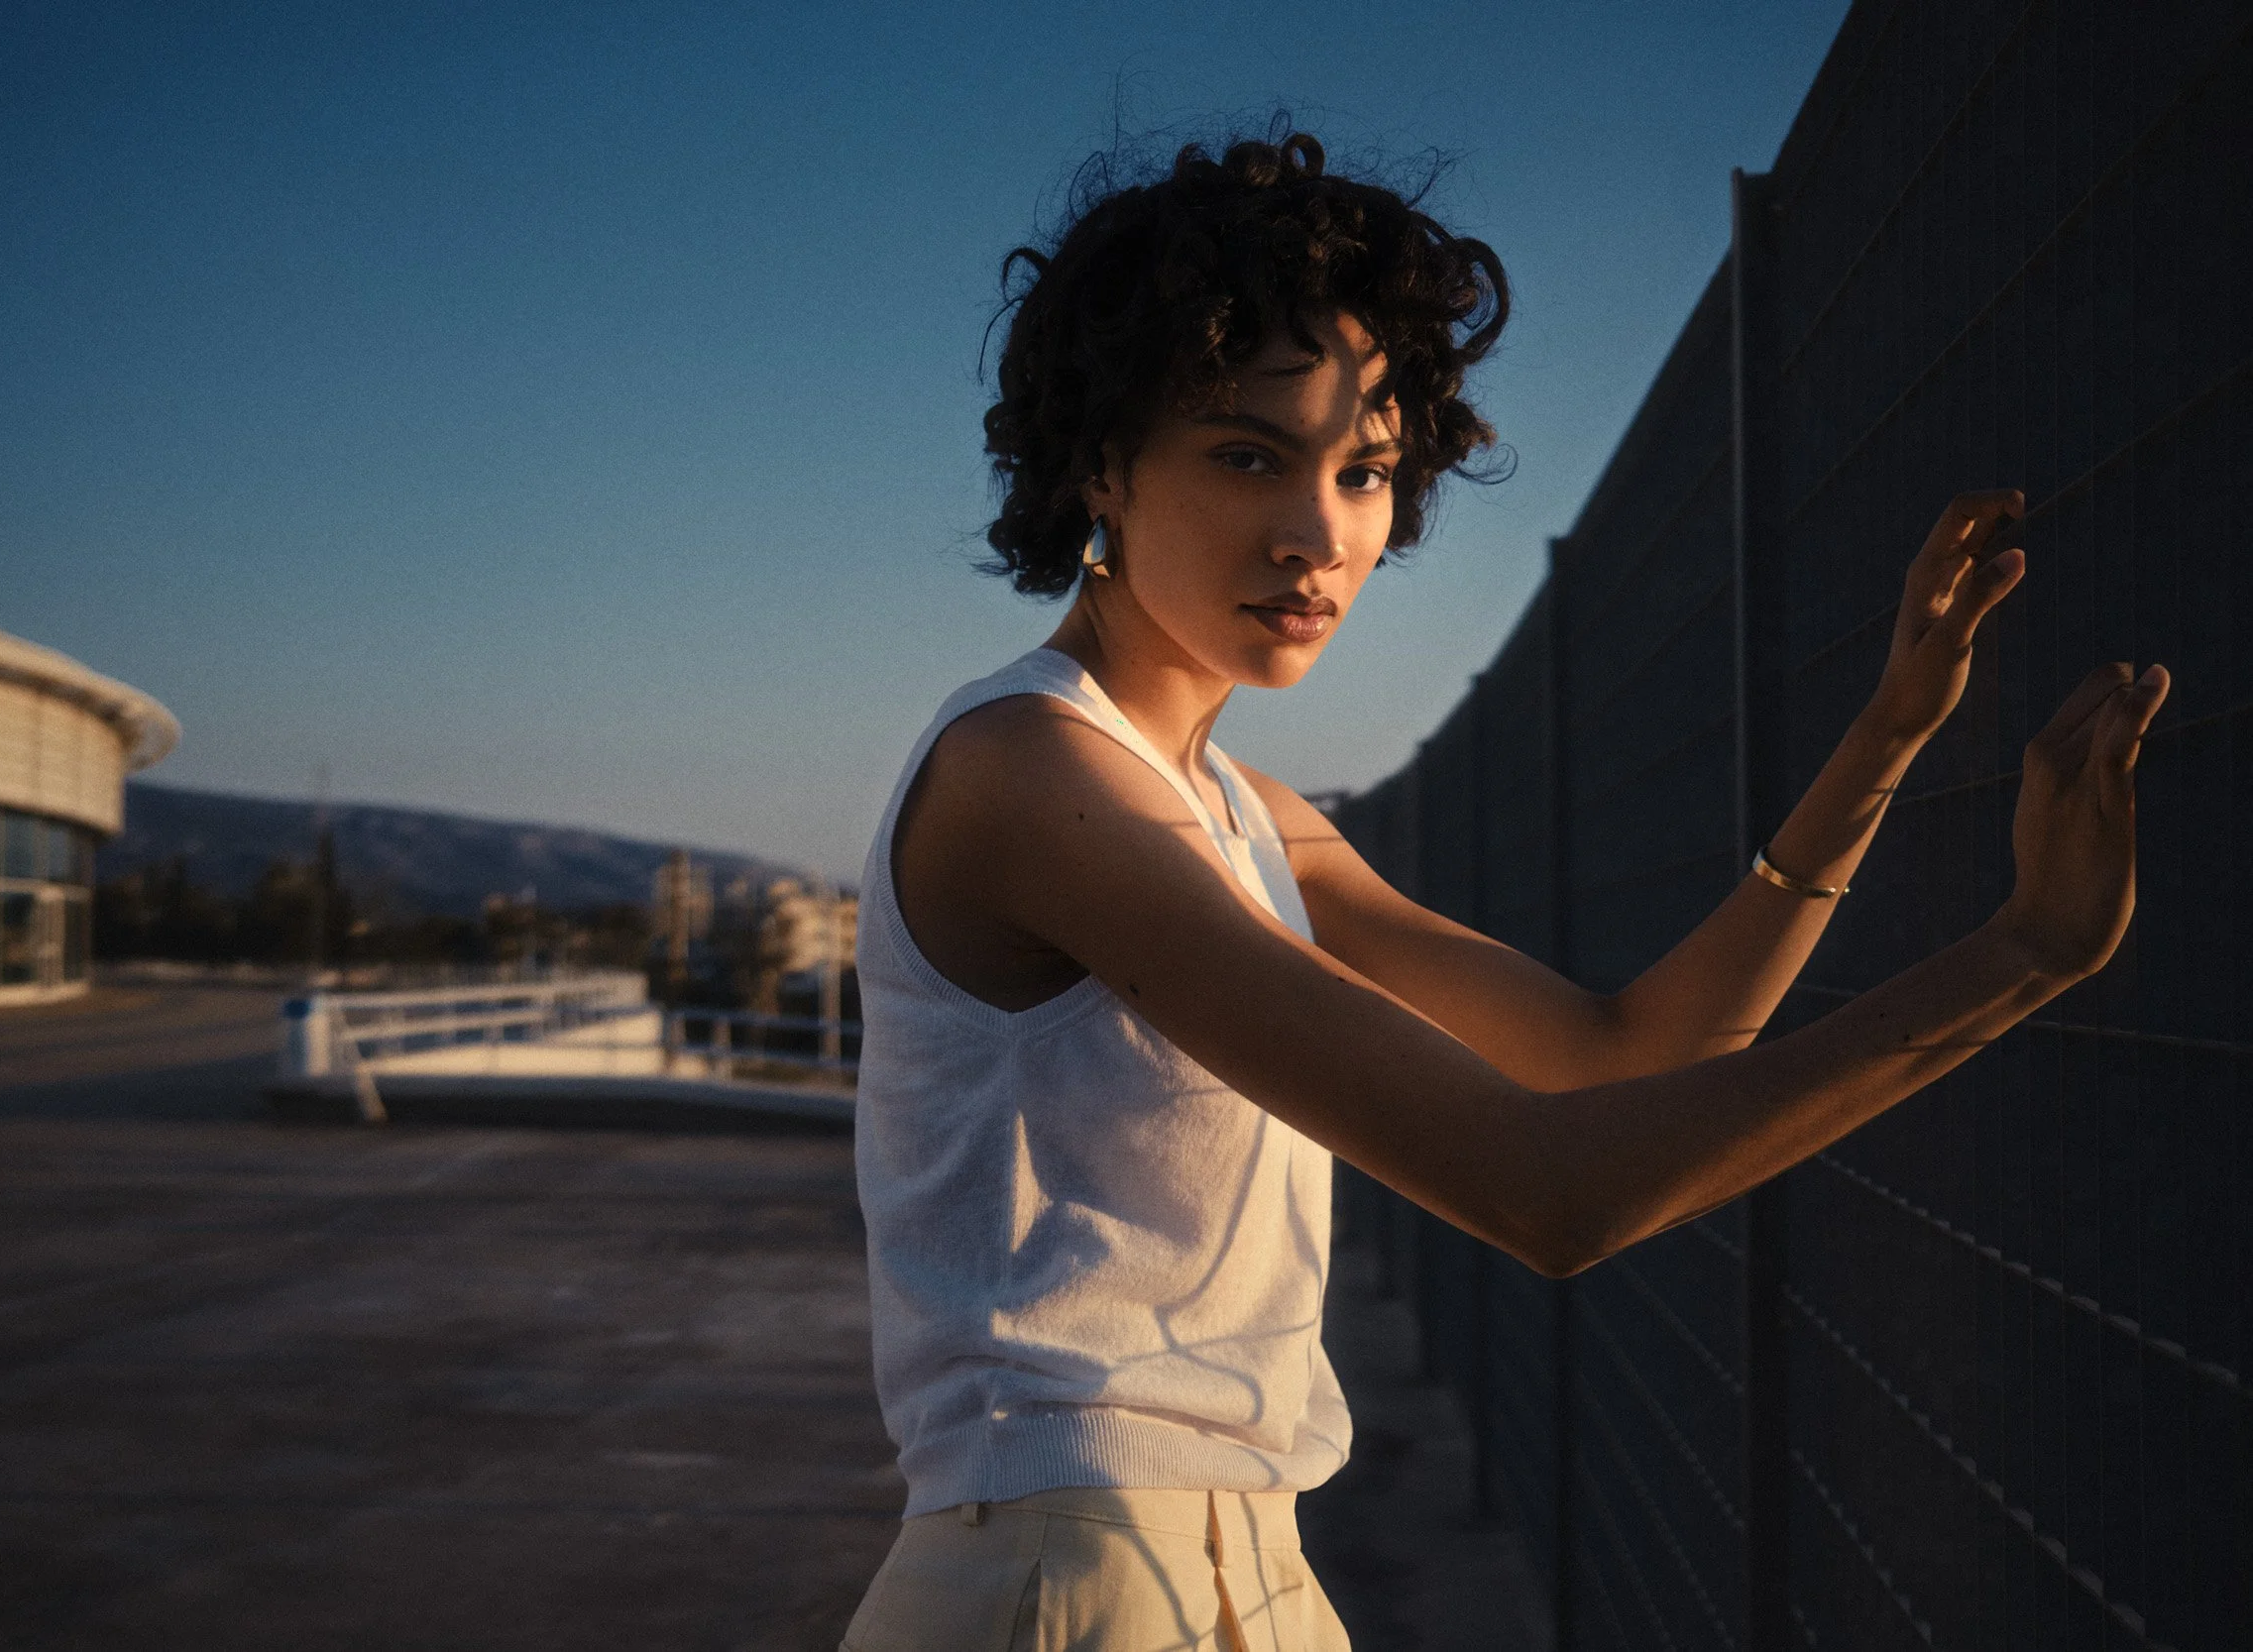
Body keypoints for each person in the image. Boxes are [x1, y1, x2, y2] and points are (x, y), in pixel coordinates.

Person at [838, 132, 2166, 1652]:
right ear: (1101, 463)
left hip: (1241, 1574)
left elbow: (1621, 1054)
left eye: (1364, 472)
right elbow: (1553, 1191)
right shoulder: (1030, 776)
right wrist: (2025, 953)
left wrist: (1885, 735)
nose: (1318, 533)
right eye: (1246, 453)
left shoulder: (1235, 810)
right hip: (1070, 1580)